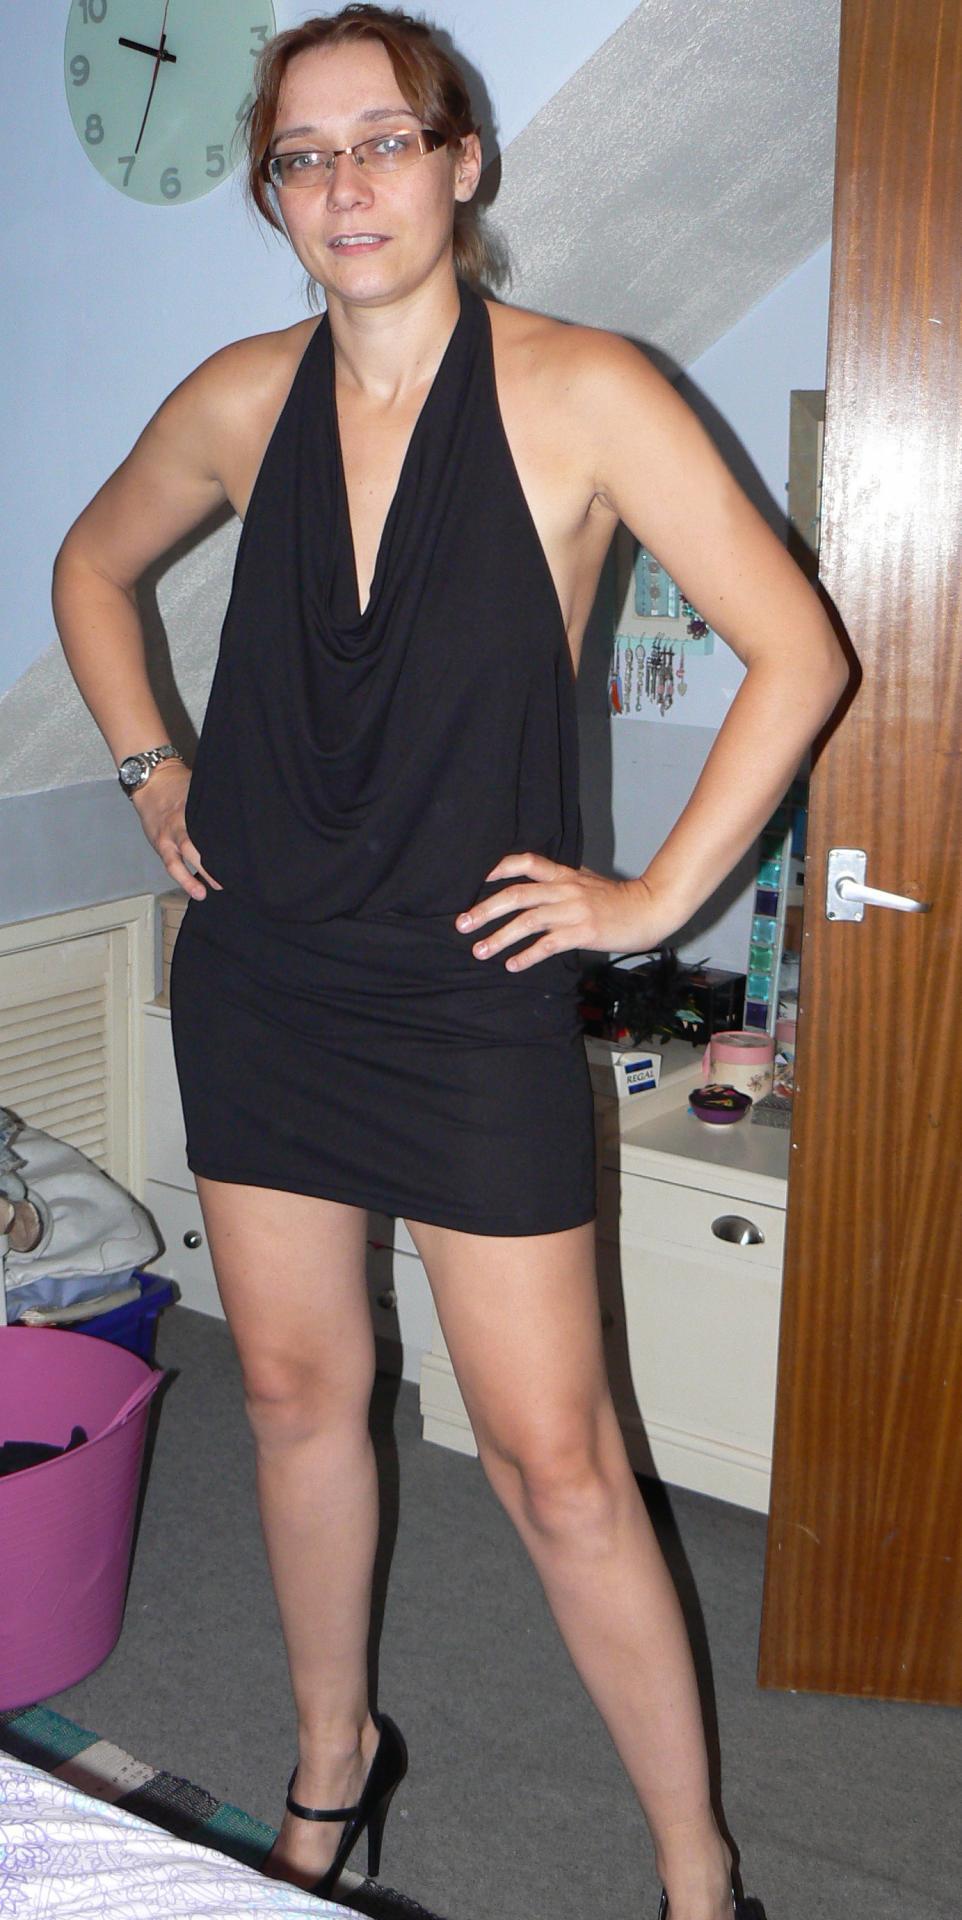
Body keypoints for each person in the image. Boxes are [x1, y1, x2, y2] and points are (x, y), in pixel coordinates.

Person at [51, 8, 848, 1917]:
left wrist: (649, 901)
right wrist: (154, 768)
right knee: (293, 1397)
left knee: (554, 1462)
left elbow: (798, 651)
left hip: (469, 995)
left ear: (462, 160)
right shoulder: (239, 399)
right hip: (262, 974)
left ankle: (697, 1875)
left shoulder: (588, 390)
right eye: (303, 155)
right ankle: (333, 1769)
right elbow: (90, 569)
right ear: (273, 194)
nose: (346, 184)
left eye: (384, 140)